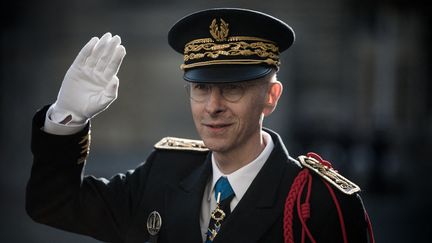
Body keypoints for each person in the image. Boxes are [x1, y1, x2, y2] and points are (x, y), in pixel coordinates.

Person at [26, 8, 374, 243]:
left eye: (233, 89)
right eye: (201, 88)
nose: (213, 107)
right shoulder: (164, 174)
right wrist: (67, 118)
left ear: (271, 96)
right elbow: (53, 204)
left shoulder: (319, 203)